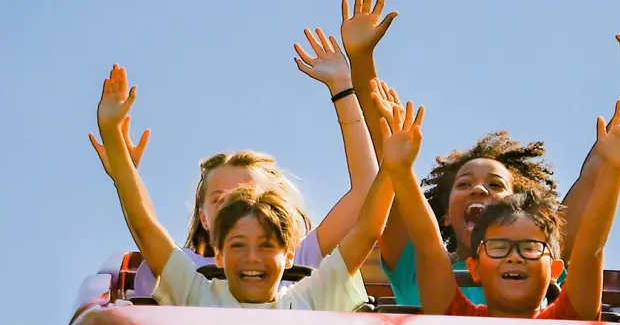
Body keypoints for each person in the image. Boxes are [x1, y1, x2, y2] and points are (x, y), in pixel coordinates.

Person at [339, 0, 620, 305]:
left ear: (520, 209)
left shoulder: (541, 259)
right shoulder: (418, 266)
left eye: (495, 185)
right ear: (444, 215)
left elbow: (598, 172)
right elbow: (390, 158)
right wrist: (361, 60)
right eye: (464, 184)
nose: (479, 189)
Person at [94, 64, 409, 310]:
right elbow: (145, 227)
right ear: (219, 253)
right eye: (238, 245)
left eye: (266, 245)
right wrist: (112, 137)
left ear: (289, 256)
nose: (252, 257)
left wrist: (392, 167)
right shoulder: (198, 291)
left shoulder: (308, 296)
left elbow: (368, 229)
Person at [375, 82, 620, 320]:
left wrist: (613, 172)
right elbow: (428, 246)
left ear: (555, 269)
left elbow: (590, 249)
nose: (514, 257)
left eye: (530, 248)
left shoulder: (568, 320)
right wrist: (401, 171)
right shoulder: (455, 316)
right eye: (498, 247)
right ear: (474, 268)